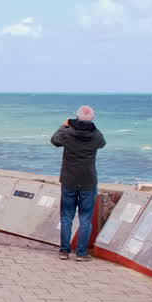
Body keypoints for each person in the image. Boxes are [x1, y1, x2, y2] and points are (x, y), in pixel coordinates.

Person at [51, 106, 106, 261]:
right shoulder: (96, 136)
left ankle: (64, 251)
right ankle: (81, 253)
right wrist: (91, 126)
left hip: (69, 179)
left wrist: (64, 125)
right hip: (88, 181)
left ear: (76, 117)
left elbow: (54, 140)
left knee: (67, 215)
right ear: (92, 119)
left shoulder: (68, 133)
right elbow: (102, 144)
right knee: (85, 218)